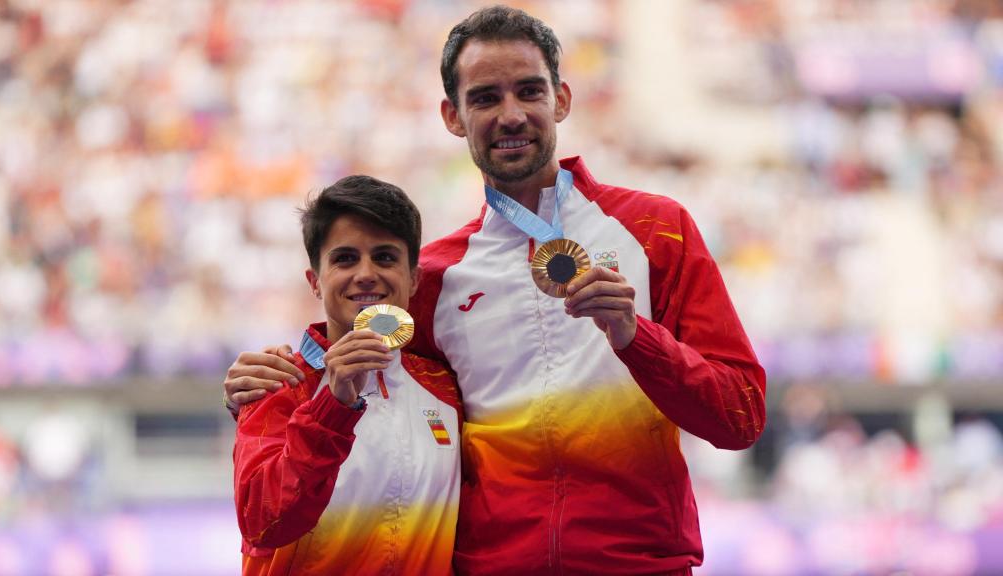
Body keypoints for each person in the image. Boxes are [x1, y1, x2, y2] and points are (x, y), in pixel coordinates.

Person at [225, 6, 766, 575]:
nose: (511, 115)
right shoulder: (434, 277)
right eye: (485, 98)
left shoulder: (657, 230)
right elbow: (373, 384)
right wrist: (255, 389)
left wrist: (639, 340)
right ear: (452, 116)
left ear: (561, 99)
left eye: (529, 91)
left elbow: (741, 417)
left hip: (640, 565)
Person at [233, 175, 461, 575]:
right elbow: (262, 524)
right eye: (345, 258)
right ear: (315, 283)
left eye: (385, 257)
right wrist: (332, 406)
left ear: (414, 279)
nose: (366, 273)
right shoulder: (277, 385)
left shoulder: (444, 387)